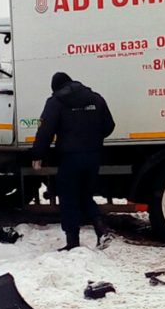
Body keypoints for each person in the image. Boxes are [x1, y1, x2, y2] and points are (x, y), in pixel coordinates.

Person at [31, 72, 115, 250]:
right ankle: (101, 229)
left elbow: (46, 131)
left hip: (69, 157)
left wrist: (37, 155)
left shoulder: (56, 102)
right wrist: (93, 138)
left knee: (69, 198)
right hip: (93, 156)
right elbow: (109, 126)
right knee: (85, 195)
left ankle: (72, 242)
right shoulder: (95, 98)